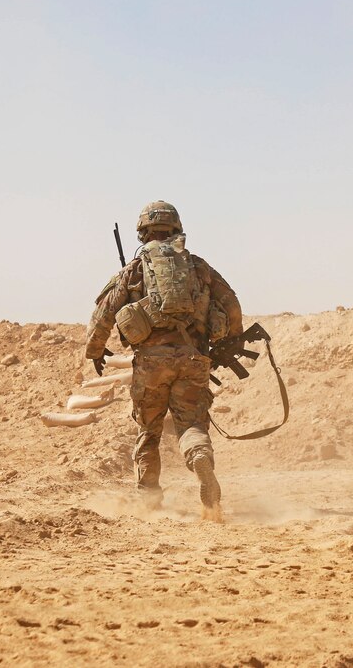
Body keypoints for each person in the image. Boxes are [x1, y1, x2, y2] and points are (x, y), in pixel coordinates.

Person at [85, 201, 243, 519]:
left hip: (151, 364)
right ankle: (198, 456)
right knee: (192, 425)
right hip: (194, 360)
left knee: (149, 430)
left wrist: (96, 351)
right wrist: (230, 343)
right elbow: (232, 305)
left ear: (143, 232)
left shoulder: (133, 270)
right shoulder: (199, 267)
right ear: (176, 230)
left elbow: (104, 313)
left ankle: (149, 499)